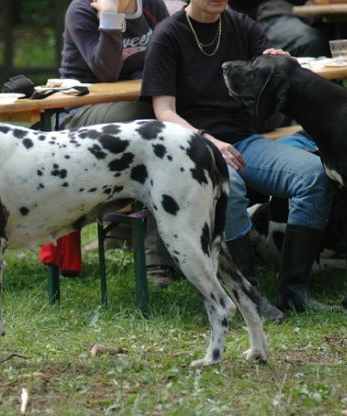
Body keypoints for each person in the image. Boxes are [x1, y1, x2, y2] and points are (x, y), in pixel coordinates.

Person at [140, 0, 334, 317]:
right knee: (233, 189)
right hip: (193, 146)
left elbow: (271, 63)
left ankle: (294, 290)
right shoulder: (168, 35)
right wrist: (208, 141)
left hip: (245, 139)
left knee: (313, 175)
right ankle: (250, 295)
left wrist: (279, 60)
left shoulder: (239, 24)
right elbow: (164, 112)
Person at [38, 0, 170, 277]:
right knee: (152, 119)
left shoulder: (152, 7)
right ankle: (153, 257)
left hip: (136, 110)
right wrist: (109, 16)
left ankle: (159, 250)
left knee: (162, 127)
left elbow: (167, 58)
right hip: (79, 115)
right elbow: (105, 71)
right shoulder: (82, 10)